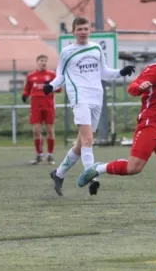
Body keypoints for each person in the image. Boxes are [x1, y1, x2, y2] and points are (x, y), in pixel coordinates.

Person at [77, 37, 156, 220]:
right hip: (150, 125)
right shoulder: (154, 70)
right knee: (134, 168)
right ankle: (98, 168)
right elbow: (132, 87)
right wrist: (140, 87)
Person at [45, 17, 135, 196]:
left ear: (89, 30)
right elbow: (60, 76)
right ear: (73, 32)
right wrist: (51, 86)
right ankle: (92, 178)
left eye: (86, 28)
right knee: (88, 140)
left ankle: (59, 174)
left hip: (96, 97)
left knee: (81, 144)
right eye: (79, 29)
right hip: (79, 97)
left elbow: (104, 72)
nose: (83, 32)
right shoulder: (67, 52)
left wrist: (121, 72)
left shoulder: (96, 48)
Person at [22, 54, 61, 165]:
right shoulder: (31, 76)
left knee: (50, 130)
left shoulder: (51, 75)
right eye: (41, 60)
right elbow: (27, 89)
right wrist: (24, 95)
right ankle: (39, 155)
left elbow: (59, 89)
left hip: (48, 106)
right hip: (35, 107)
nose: (43, 62)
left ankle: (50, 155)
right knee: (36, 130)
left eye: (45, 60)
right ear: (37, 62)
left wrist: (52, 86)